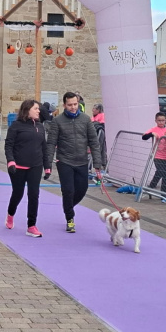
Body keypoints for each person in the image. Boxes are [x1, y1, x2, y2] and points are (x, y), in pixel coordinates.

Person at [46, 91, 102, 233]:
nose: (73, 107)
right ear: (64, 105)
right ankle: (70, 218)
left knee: (82, 189)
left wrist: (97, 164)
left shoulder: (86, 119)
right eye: (70, 105)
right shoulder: (57, 121)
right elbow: (51, 143)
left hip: (82, 161)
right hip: (64, 161)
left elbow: (94, 142)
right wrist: (48, 164)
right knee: (68, 190)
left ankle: (68, 206)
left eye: (75, 104)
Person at [4, 99, 52, 237]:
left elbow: (44, 147)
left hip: (35, 166)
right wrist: (10, 161)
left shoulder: (40, 126)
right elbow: (9, 145)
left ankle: (31, 226)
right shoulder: (16, 126)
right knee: (18, 193)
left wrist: (47, 166)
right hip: (18, 166)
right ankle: (10, 214)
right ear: (27, 110)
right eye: (36, 108)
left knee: (34, 195)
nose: (38, 111)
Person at [142, 112, 166, 195]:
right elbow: (144, 137)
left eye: (163, 120)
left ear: (165, 120)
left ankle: (160, 192)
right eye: (159, 120)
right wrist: (151, 134)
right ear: (156, 121)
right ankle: (156, 190)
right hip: (157, 155)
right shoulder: (153, 129)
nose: (161, 122)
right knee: (162, 172)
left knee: (164, 173)